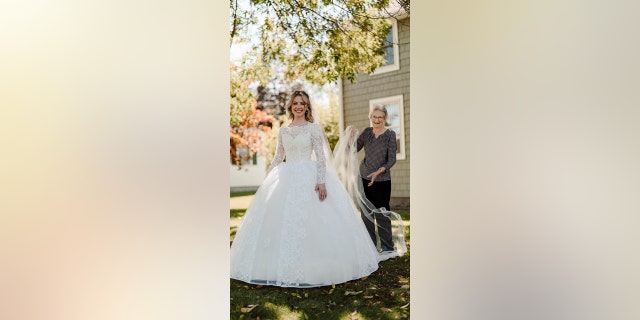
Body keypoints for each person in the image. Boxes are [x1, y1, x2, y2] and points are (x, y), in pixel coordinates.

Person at [230, 90, 380, 288]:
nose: (299, 106)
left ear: (307, 107)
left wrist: (321, 181)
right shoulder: (283, 130)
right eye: (295, 103)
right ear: (291, 107)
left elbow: (320, 157)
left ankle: (318, 265)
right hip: (286, 176)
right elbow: (278, 156)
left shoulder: (313, 129)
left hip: (308, 176)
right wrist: (269, 178)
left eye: (302, 103)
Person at [356, 106, 398, 256]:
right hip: (364, 177)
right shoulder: (367, 133)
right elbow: (354, 148)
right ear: (370, 117)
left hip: (382, 180)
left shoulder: (390, 134)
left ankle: (387, 248)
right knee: (366, 214)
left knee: (382, 213)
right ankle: (371, 248)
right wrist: (349, 138)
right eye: (374, 117)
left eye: (380, 117)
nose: (377, 120)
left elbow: (392, 159)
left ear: (385, 118)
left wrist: (378, 172)